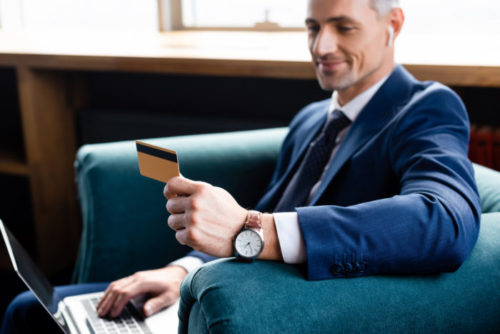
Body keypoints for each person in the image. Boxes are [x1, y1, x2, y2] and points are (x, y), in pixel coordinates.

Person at [1, 0, 481, 332]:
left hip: (281, 309)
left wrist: (255, 230)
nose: (321, 47)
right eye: (313, 28)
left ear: (393, 24)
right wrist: (182, 270)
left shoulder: (426, 107)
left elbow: (445, 221)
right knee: (31, 309)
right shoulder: (312, 118)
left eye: (344, 27)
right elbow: (265, 211)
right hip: (215, 287)